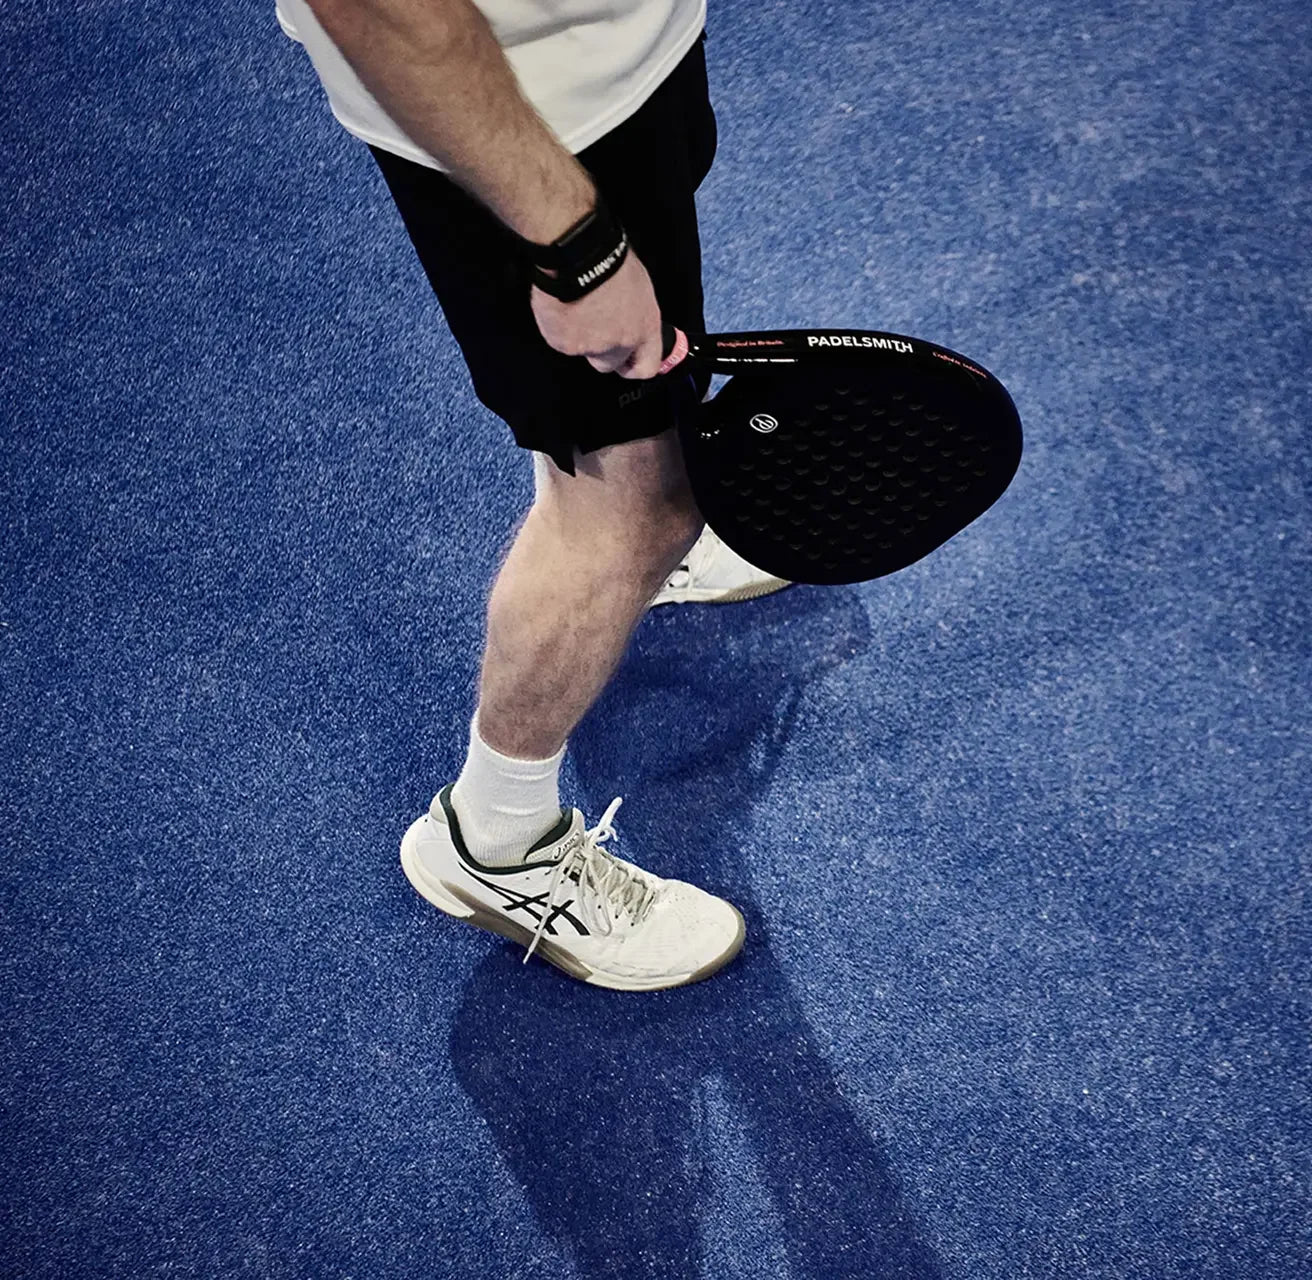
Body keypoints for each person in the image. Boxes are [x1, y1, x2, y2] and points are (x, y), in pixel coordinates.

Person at [279, 0, 784, 989]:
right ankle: (493, 841)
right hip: (522, 128)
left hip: (620, 59)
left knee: (635, 408)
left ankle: (651, 547)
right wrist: (578, 251)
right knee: (630, 504)